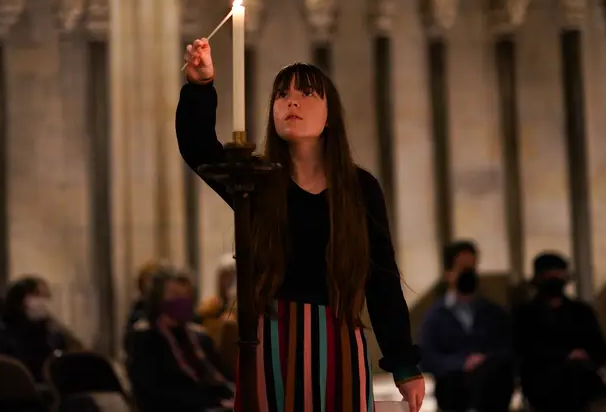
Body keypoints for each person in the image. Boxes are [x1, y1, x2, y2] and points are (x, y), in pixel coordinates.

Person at [177, 38, 425, 412]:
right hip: (271, 340)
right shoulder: (256, 180)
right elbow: (198, 148)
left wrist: (404, 364)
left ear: (330, 114)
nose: (291, 101)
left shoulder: (360, 188)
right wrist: (200, 87)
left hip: (338, 339)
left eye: (307, 93)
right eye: (282, 95)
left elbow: (382, 278)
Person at [419, 241, 515, 412]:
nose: (469, 275)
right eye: (463, 269)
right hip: (454, 390)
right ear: (448, 273)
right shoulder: (435, 316)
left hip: (491, 389)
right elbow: (427, 358)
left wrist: (484, 361)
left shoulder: (493, 312)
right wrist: (462, 363)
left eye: (472, 268)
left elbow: (507, 347)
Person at [514, 252, 606, 412]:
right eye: (549, 274)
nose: (555, 279)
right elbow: (523, 350)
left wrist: (585, 355)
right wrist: (563, 356)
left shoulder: (582, 312)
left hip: (581, 377)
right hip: (542, 381)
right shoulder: (525, 314)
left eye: (559, 273)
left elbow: (601, 349)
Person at [128, 270, 235, 412]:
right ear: (159, 299)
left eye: (186, 296)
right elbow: (151, 391)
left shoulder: (199, 337)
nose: (182, 301)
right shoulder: (146, 338)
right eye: (175, 295)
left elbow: (222, 375)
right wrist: (210, 403)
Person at [0, 277, 66, 382]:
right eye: (37, 295)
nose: (43, 301)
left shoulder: (52, 335)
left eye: (46, 296)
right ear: (20, 298)